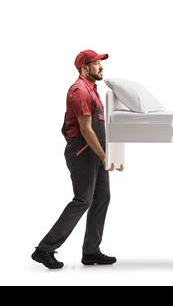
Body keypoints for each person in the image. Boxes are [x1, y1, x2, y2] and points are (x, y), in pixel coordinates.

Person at [31, 50, 123, 269]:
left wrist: (106, 153)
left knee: (102, 198)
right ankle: (44, 249)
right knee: (83, 200)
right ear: (84, 67)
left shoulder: (92, 89)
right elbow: (86, 129)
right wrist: (104, 155)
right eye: (97, 64)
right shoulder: (79, 91)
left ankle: (91, 251)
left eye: (101, 64)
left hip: (96, 152)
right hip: (83, 153)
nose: (101, 67)